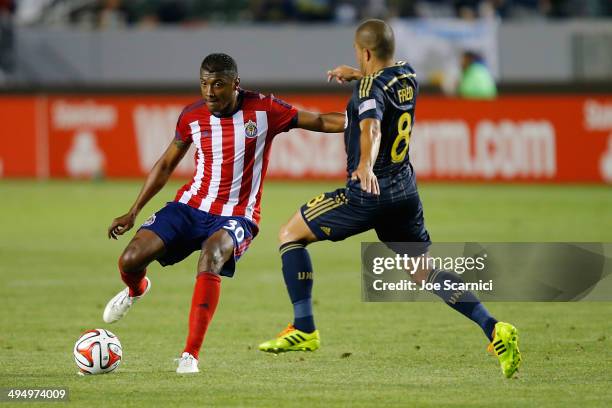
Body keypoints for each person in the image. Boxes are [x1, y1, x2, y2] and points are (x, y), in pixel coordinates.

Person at [258, 19, 521, 379]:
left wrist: (365, 164)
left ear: (365, 52)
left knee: (290, 235)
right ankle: (493, 329)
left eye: (357, 54)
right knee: (422, 270)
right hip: (404, 191)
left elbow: (372, 126)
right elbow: (375, 95)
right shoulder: (406, 73)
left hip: (369, 191)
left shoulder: (368, 89)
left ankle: (304, 327)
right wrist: (356, 74)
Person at [103, 53, 344, 374]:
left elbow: (320, 121)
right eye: (204, 84)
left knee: (211, 255)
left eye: (218, 84)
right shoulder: (192, 116)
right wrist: (133, 211)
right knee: (130, 259)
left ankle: (190, 355)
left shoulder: (264, 109)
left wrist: (365, 118)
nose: (209, 92)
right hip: (190, 206)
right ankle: (136, 289)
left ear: (235, 84)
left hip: (237, 214)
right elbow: (165, 165)